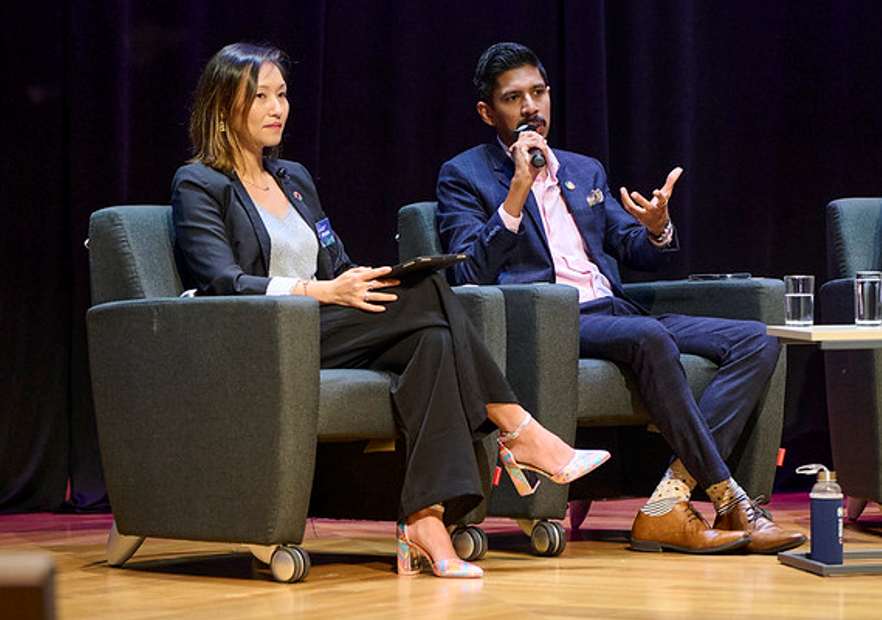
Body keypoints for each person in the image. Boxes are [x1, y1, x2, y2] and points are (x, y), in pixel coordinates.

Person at [171, 43, 609, 579]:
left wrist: (364, 281)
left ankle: (426, 520)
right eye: (259, 97)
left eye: (281, 94)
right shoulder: (199, 183)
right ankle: (515, 427)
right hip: (258, 336)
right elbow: (223, 281)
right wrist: (322, 292)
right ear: (223, 107)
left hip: (322, 324)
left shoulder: (294, 179)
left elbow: (337, 261)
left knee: (433, 338)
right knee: (432, 295)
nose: (276, 108)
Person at [435, 42, 804, 555]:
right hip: (547, 322)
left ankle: (668, 501)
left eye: (538, 93)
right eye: (513, 98)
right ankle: (731, 499)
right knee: (649, 336)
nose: (530, 109)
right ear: (487, 112)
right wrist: (517, 190)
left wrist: (655, 228)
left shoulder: (583, 170)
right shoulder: (465, 175)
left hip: (613, 312)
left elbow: (631, 248)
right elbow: (469, 272)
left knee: (759, 340)